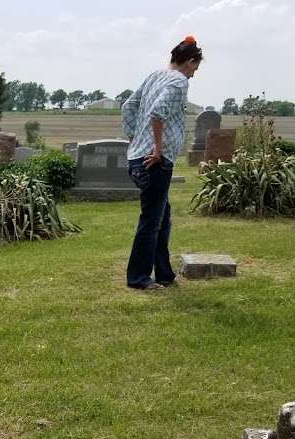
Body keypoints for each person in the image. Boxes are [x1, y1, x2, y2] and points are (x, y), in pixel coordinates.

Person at [122, 36, 203, 290]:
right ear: (189, 61)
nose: (193, 75)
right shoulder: (178, 81)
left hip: (138, 157)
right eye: (195, 69)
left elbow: (128, 107)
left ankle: (165, 274)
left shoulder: (155, 76)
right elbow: (158, 112)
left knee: (161, 216)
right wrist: (156, 148)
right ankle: (138, 278)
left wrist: (135, 140)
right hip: (155, 160)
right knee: (151, 220)